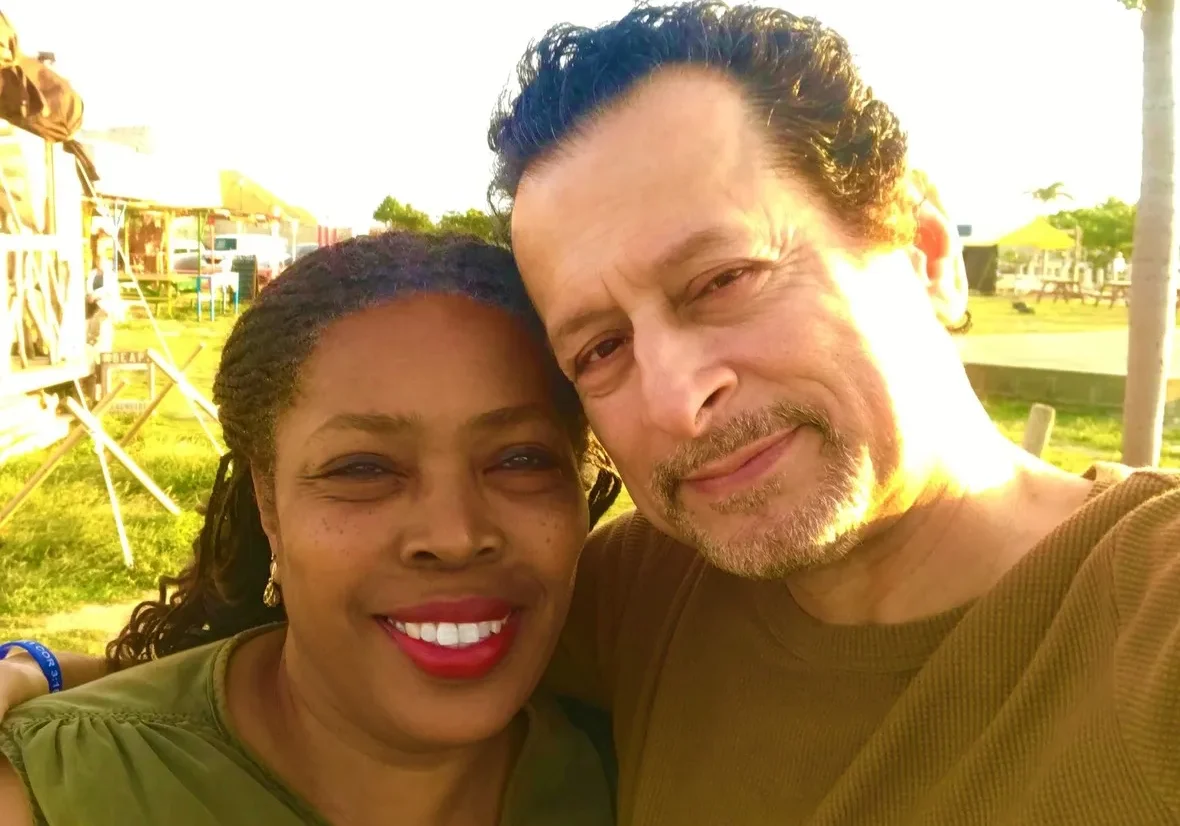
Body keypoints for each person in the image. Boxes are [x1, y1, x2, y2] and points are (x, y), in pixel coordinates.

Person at [5, 3, 1180, 823]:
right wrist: (41, 669)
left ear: (925, 255)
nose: (675, 397)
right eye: (601, 346)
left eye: (722, 280)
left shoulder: (1147, 621)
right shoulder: (651, 591)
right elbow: (348, 641)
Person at [0, 232, 618, 825]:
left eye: (520, 459)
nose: (455, 535)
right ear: (267, 499)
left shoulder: (636, 756)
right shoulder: (58, 793)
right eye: (364, 468)